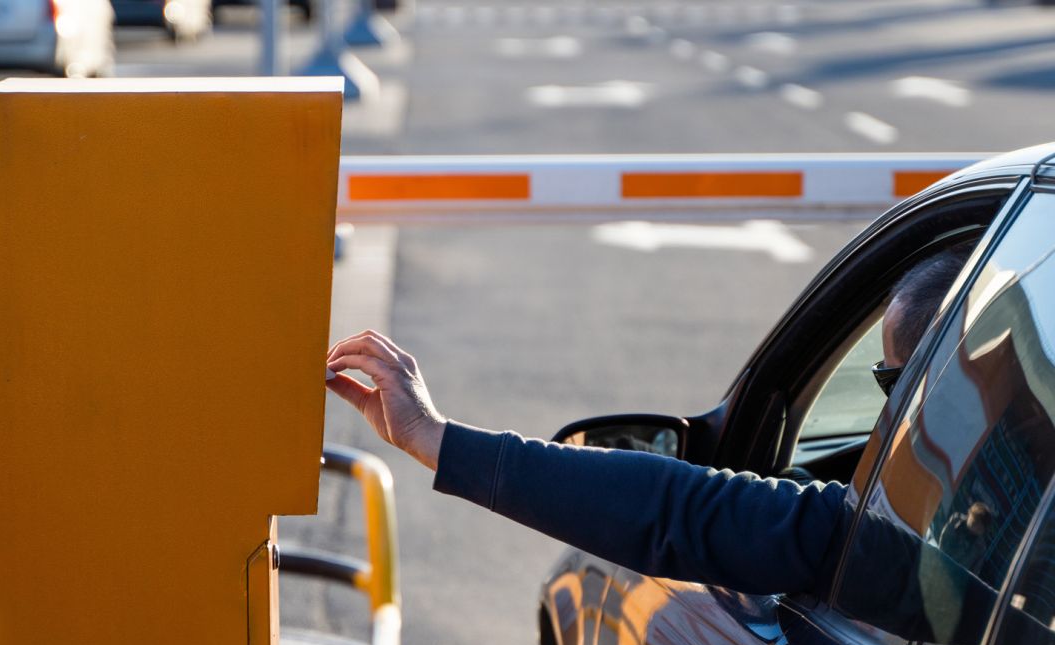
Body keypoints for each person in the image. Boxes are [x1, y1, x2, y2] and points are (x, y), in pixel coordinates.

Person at [323, 250, 970, 598]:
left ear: (964, 383)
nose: (890, 410)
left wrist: (435, 439)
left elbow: (677, 512)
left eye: (895, 382)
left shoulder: (927, 548)